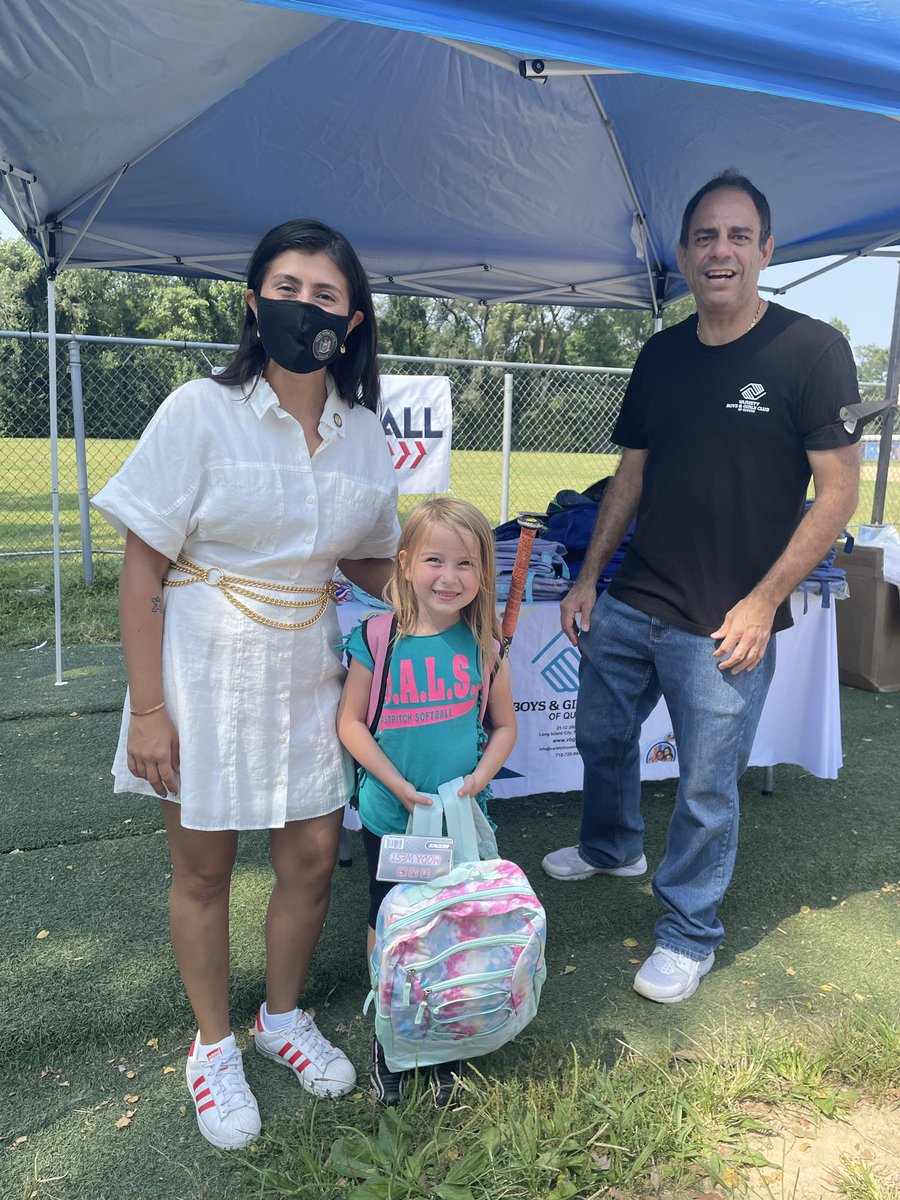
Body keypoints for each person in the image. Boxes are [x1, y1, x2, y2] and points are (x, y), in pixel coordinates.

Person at [92, 219, 400, 1149]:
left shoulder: (364, 436)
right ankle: (215, 1045)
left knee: (309, 859)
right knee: (205, 868)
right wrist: (149, 711)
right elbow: (141, 575)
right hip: (198, 673)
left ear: (352, 323)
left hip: (310, 666)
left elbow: (373, 565)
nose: (301, 307)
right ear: (253, 300)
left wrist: (446, 595)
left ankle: (282, 1018)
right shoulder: (199, 410)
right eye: (286, 288)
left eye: (324, 296)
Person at [542, 170, 861, 1004]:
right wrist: (586, 580)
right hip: (632, 600)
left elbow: (837, 494)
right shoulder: (661, 354)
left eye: (738, 236)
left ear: (765, 251)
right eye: (706, 238)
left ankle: (689, 933)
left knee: (705, 790)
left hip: (728, 621)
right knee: (601, 738)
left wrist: (764, 602)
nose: (721, 251)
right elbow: (629, 476)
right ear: (684, 255)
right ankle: (613, 847)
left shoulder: (812, 351)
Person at [337, 497, 517, 1106]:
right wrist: (395, 785)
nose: (449, 577)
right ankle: (394, 1034)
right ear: (406, 563)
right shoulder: (377, 637)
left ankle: (446, 1035)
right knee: (392, 920)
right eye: (435, 560)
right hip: (395, 821)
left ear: (484, 574)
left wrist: (478, 779)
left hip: (461, 823)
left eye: (466, 564)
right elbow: (351, 726)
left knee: (452, 921)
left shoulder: (484, 642)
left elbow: (505, 727)